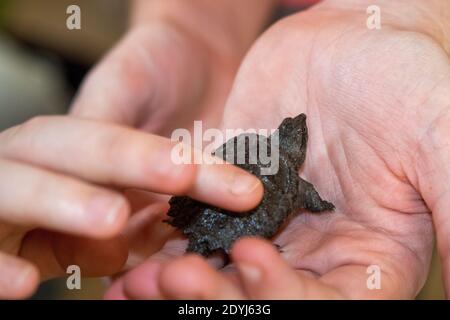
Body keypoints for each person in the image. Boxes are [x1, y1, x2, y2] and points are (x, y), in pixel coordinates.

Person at [0, 0, 449, 299]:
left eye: (294, 132)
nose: (295, 131)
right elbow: (310, 198)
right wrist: (190, 29)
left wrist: (413, 14)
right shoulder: (292, 178)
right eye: (293, 132)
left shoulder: (281, 169)